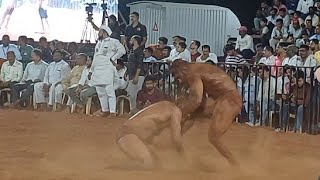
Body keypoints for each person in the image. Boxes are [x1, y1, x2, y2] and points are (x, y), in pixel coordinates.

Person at [169, 59, 242, 165]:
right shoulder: (195, 70)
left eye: (177, 76)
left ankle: (235, 164)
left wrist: (179, 114)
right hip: (223, 98)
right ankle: (175, 142)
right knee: (192, 116)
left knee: (213, 137)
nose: (179, 80)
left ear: (181, 70)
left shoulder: (191, 73)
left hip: (229, 99)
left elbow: (196, 100)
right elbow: (198, 102)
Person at [116, 101, 185, 169]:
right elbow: (176, 139)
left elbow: (146, 131)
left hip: (130, 135)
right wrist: (184, 157)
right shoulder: (175, 111)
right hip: (127, 135)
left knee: (156, 164)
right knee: (149, 164)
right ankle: (120, 170)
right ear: (182, 105)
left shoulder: (165, 106)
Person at [88, 25, 126, 117]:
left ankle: (112, 112)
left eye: (100, 31)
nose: (98, 33)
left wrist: (113, 58)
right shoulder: (98, 43)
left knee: (109, 91)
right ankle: (105, 110)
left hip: (107, 68)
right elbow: (95, 57)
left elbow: (122, 50)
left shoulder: (113, 41)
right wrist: (91, 71)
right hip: (97, 69)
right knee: (100, 92)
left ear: (104, 32)